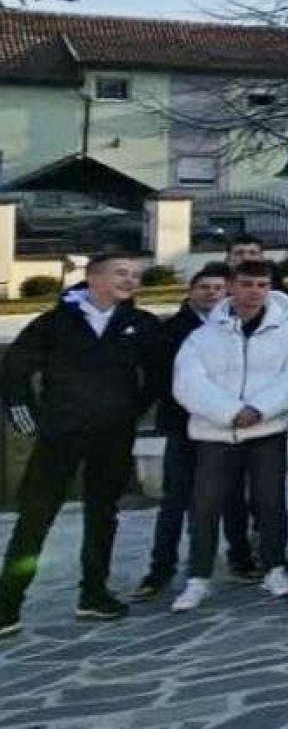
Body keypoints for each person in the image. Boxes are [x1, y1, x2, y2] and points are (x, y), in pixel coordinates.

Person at [0, 251, 164, 634]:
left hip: (113, 438)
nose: (130, 281)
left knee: (103, 516)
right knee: (35, 519)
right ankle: (7, 604)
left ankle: (94, 594)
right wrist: (29, 420)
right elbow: (15, 374)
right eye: (121, 273)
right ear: (93, 277)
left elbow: (157, 377)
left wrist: (129, 412)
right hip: (59, 437)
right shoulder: (54, 323)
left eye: (136, 275)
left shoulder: (141, 324)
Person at [168, 259, 288, 610]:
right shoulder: (202, 336)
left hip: (267, 431)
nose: (254, 293)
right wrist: (230, 413)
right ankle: (198, 577)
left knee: (270, 503)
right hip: (216, 434)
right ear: (231, 287)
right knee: (205, 506)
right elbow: (188, 382)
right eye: (247, 284)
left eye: (262, 286)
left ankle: (274, 568)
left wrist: (259, 410)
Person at [139, 265, 249, 600]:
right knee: (176, 500)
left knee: (233, 498)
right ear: (191, 290)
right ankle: (161, 569)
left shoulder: (237, 326)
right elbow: (163, 379)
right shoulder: (172, 330)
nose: (212, 294)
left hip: (226, 425)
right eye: (205, 287)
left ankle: (241, 558)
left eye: (218, 288)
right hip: (184, 426)